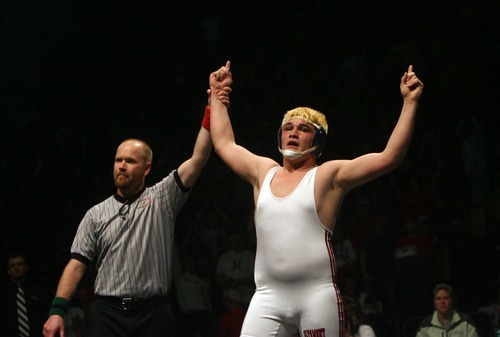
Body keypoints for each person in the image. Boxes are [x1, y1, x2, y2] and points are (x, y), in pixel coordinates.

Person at [208, 61, 424, 336]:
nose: (293, 133)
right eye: (288, 127)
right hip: (267, 297)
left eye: (302, 128)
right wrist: (218, 96)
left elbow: (389, 157)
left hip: (316, 296)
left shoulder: (327, 176)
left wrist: (410, 102)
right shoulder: (263, 172)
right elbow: (224, 143)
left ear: (317, 142)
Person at [42, 88, 231, 337]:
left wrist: (212, 106)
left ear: (146, 168)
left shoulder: (163, 197)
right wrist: (57, 310)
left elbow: (199, 157)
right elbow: (77, 264)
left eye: (130, 161)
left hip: (153, 315)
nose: (121, 165)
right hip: (106, 315)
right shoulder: (95, 214)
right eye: (118, 160)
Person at [0, 253, 51, 337]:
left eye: (20, 264)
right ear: (8, 271)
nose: (16, 267)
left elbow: (46, 314)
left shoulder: (38, 290)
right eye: (12, 265)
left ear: (26, 268)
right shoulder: (3, 294)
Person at [215, 232, 255, 306]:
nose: (236, 242)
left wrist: (237, 281)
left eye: (238, 240)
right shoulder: (224, 257)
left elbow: (253, 277)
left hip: (247, 295)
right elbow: (218, 278)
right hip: (230, 297)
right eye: (234, 240)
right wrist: (231, 282)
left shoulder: (250, 256)